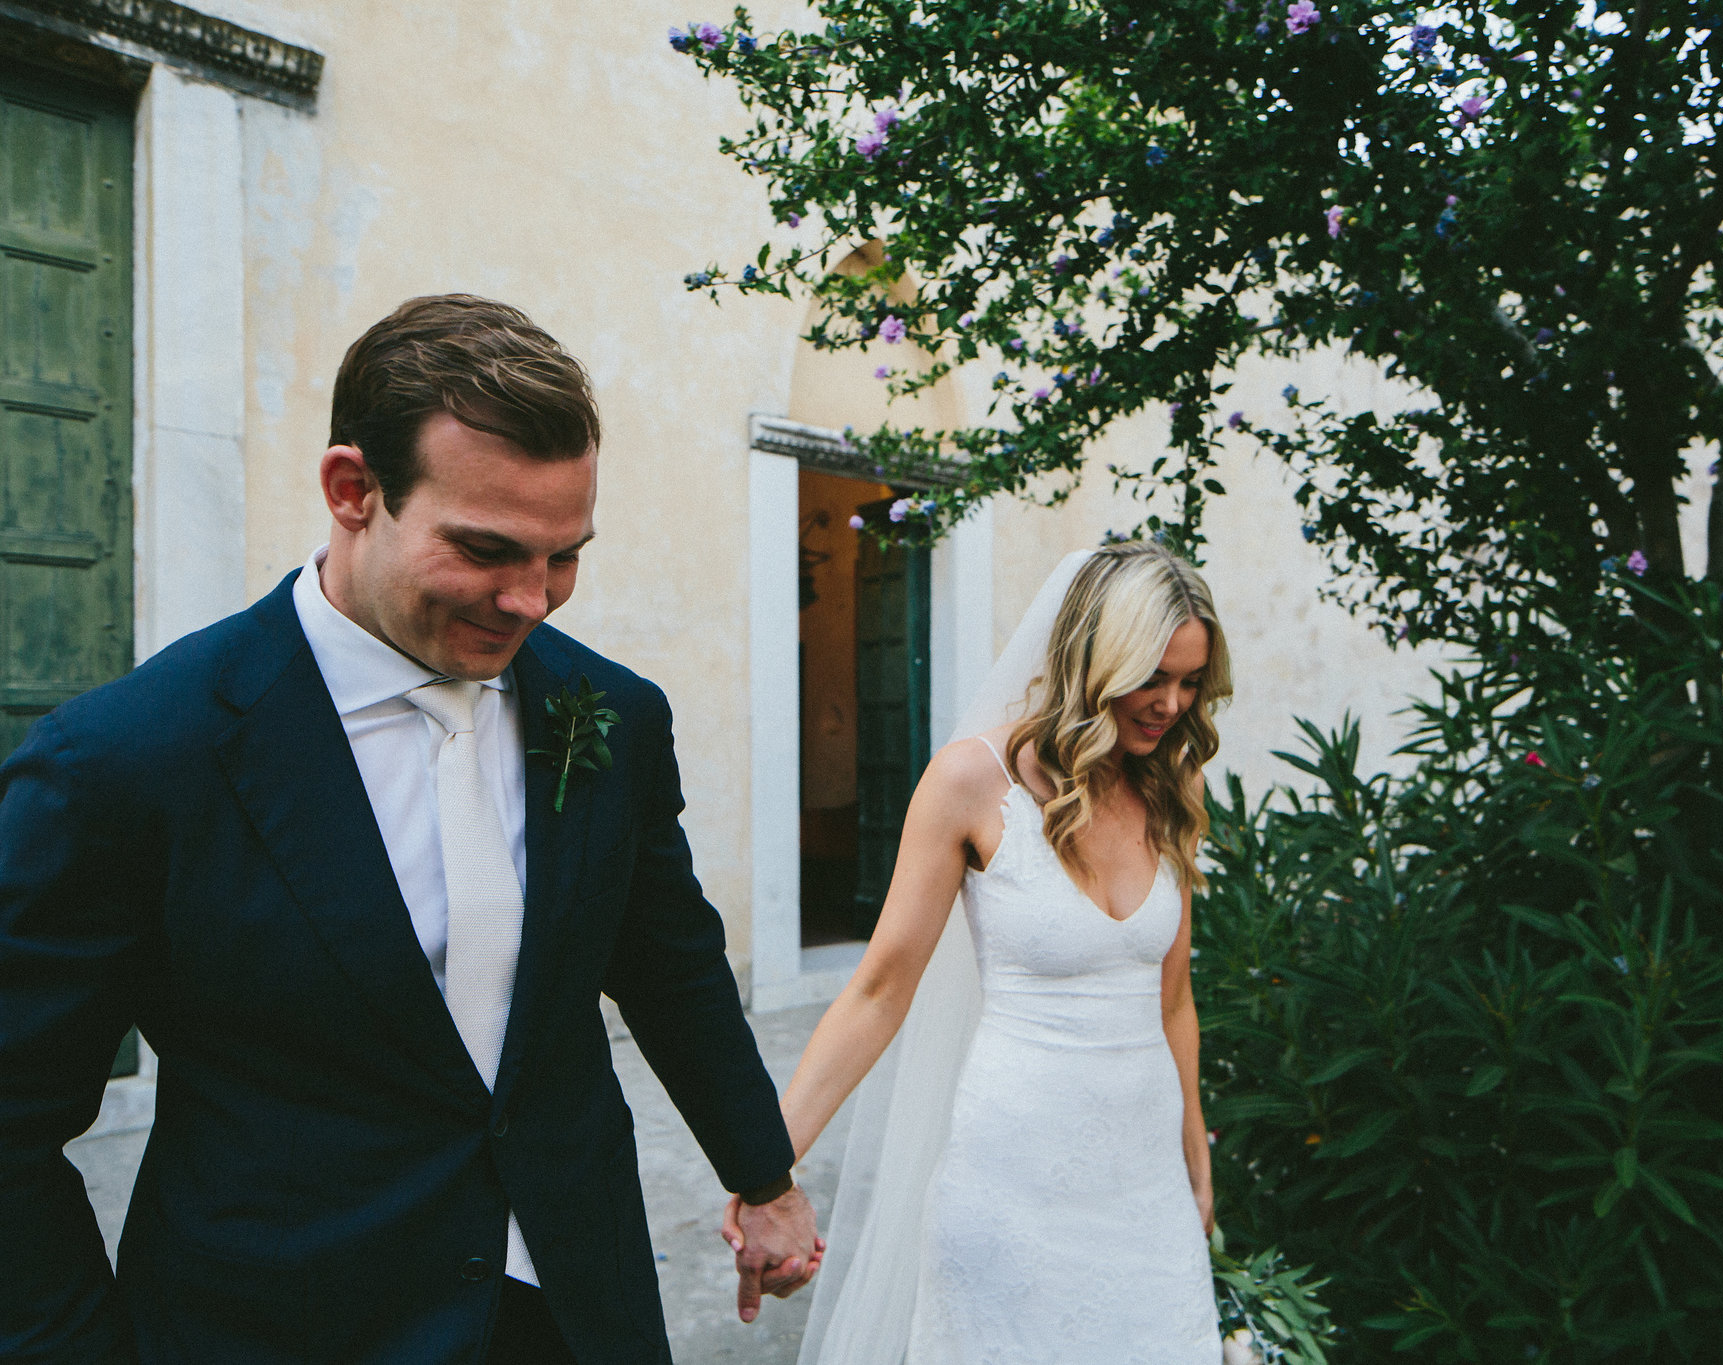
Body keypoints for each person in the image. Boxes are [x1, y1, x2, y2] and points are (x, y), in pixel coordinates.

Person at [0, 295, 819, 1364]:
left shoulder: (614, 714)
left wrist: (762, 1178)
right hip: (291, 1324)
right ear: (353, 491)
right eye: (486, 549)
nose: (530, 601)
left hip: (578, 1301)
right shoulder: (124, 761)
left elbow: (668, 964)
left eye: (563, 556)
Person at [782, 540, 1231, 1364]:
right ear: (1094, 657)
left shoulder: (1173, 782)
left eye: (1191, 680)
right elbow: (879, 989)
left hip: (1144, 1186)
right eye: (1152, 676)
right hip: (1011, 1181)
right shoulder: (969, 782)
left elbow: (1173, 999)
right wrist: (767, 1161)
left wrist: (1195, 1159)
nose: (1171, 703)